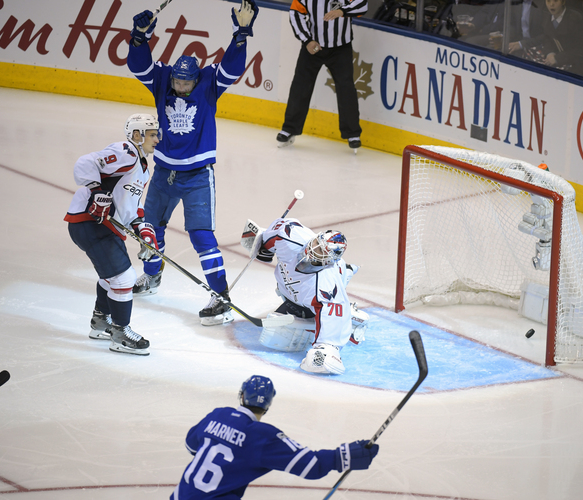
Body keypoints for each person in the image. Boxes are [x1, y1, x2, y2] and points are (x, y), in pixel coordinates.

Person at [126, 1, 259, 326]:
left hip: (199, 176)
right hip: (164, 174)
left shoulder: (209, 83)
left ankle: (220, 296)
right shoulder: (162, 80)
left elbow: (232, 67)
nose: (181, 88)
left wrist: (240, 35)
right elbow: (138, 66)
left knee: (202, 237)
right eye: (177, 83)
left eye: (186, 84)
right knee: (151, 231)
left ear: (196, 79)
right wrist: (139, 39)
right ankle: (152, 277)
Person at [170, 375, 379, 499]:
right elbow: (311, 467)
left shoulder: (218, 414)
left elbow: (192, 446)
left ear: (241, 396)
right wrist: (346, 455)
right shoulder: (262, 437)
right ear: (268, 404)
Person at [64, 114, 161, 356]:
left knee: (111, 278)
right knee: (124, 279)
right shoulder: (125, 152)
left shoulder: (143, 168)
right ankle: (120, 334)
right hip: (91, 222)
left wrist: (142, 227)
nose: (157, 139)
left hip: (103, 226)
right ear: (137, 135)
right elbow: (85, 162)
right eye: (152, 134)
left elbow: (132, 207)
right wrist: (96, 191)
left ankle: (101, 322)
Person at [251, 217, 368, 375]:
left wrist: (324, 350)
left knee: (278, 337)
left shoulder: (327, 287)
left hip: (309, 299)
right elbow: (280, 227)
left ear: (330, 259)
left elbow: (328, 350)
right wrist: (264, 244)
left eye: (320, 251)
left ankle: (351, 316)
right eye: (316, 244)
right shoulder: (290, 237)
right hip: (290, 292)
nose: (313, 250)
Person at [277, 0, 368, 152]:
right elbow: (295, 13)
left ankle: (352, 134)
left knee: (346, 88)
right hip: (313, 47)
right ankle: (290, 129)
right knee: (300, 86)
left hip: (341, 48)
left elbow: (363, 5)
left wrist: (342, 11)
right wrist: (307, 40)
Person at [509, 0, 583, 69]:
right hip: (552, 56)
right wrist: (550, 53)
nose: (551, 4)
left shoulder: (575, 19)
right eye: (548, 1)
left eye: (555, 1)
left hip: (570, 62)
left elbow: (581, 49)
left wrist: (557, 58)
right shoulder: (546, 15)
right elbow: (547, 38)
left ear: (563, 2)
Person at [461, 0, 544, 51]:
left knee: (490, 49)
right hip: (505, 37)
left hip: (530, 45)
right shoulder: (518, 3)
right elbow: (484, 11)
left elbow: (546, 35)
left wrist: (518, 43)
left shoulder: (542, 5)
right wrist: (474, 25)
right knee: (469, 41)